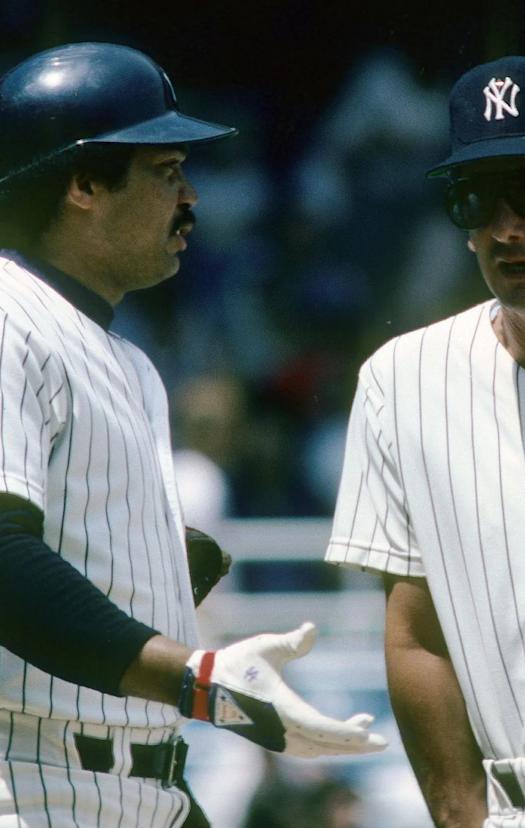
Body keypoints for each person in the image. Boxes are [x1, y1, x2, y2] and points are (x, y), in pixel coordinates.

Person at [0, 43, 385, 828]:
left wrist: (158, 568)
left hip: (141, 783)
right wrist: (198, 675)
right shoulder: (8, 314)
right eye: (167, 169)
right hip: (30, 782)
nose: (192, 197)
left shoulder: (127, 359)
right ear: (82, 184)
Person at [326, 54, 525, 827]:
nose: (506, 226)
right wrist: (462, 818)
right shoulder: (401, 380)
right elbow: (416, 637)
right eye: (476, 199)